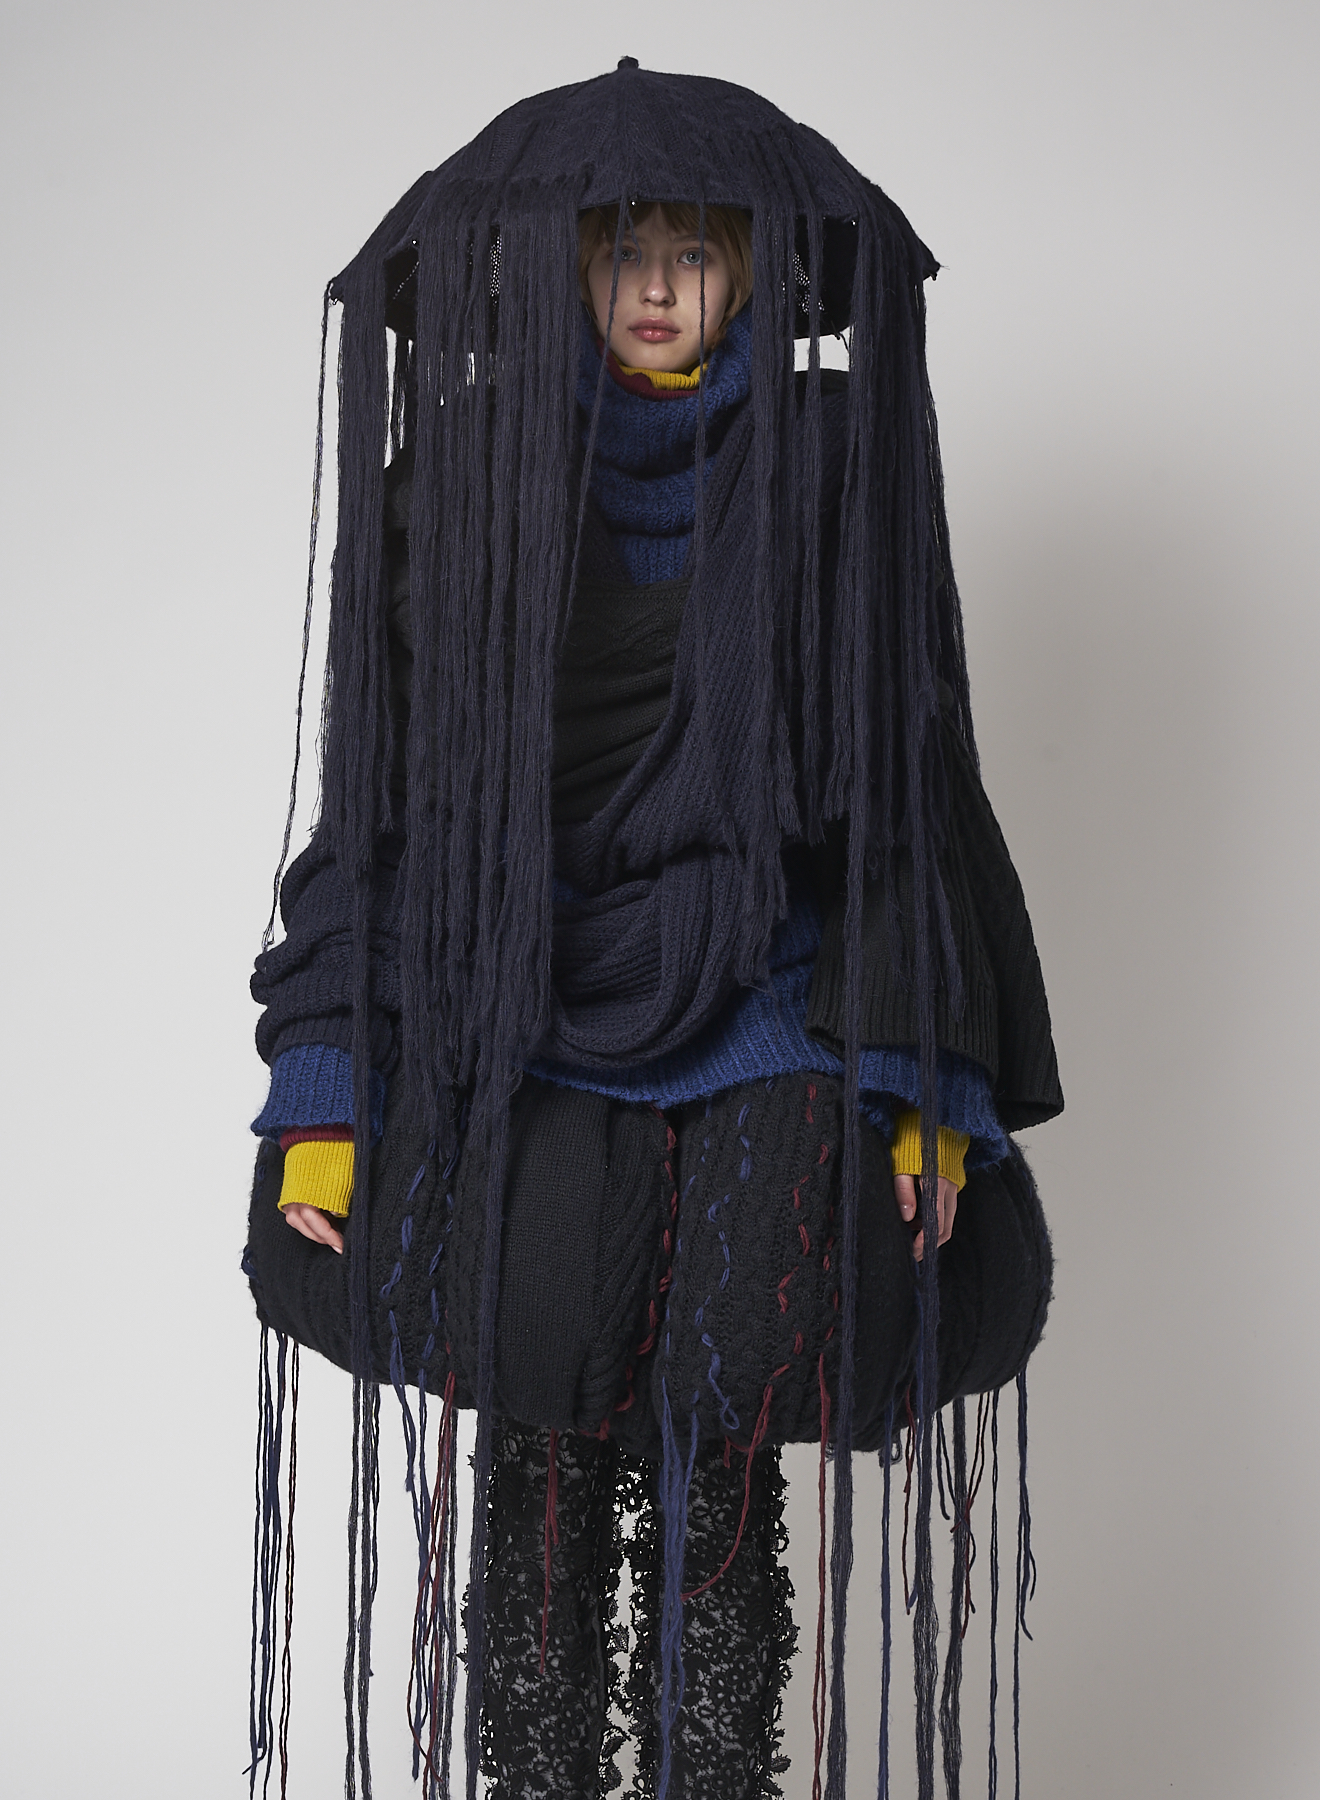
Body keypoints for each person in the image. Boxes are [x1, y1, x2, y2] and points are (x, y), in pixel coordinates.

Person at [244, 62, 1061, 1800]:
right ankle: (537, 1778)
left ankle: (718, 1781)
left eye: (695, 250)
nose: (660, 286)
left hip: (766, 992)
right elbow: (381, 809)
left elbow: (903, 791)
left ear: (749, 270)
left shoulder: (833, 469)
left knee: (730, 1420)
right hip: (519, 997)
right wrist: (325, 1097)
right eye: (625, 251)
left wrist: (927, 1091)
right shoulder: (457, 478)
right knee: (540, 1416)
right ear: (570, 267)